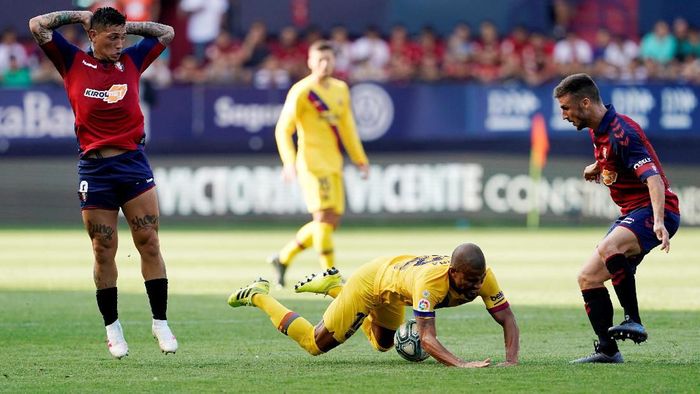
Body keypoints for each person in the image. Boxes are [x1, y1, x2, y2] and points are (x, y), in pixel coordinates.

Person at [29, 7, 177, 359]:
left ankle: (160, 321)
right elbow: (37, 26)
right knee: (102, 249)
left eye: (123, 37)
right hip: (95, 170)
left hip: (132, 163)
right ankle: (113, 329)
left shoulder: (133, 60)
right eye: (112, 37)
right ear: (92, 36)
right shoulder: (71, 61)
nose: (119, 44)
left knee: (149, 241)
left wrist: (129, 26)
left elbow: (167, 33)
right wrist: (79, 15)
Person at [553, 73, 681, 363]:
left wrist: (659, 221)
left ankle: (633, 319)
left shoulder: (623, 132)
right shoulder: (598, 130)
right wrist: (596, 165)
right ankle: (608, 350)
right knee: (587, 278)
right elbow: (612, 158)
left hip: (655, 210)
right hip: (632, 212)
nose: (563, 116)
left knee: (610, 247)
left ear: (585, 103)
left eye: (566, 108)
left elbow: (654, 180)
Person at [229, 243, 519, 367]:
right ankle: (258, 294)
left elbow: (507, 318)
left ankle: (334, 288)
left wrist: (511, 360)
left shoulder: (484, 276)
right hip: (372, 282)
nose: (477, 286)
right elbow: (428, 338)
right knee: (314, 343)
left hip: (393, 287)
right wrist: (462, 364)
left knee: (383, 343)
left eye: (479, 279)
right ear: (453, 272)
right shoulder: (430, 285)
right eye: (470, 280)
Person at [269, 40, 369, 288]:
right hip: (312, 164)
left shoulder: (340, 89)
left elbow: (348, 128)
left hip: (334, 162)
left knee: (330, 221)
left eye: (329, 59)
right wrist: (288, 162)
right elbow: (284, 129)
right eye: (319, 60)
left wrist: (359, 159)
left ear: (334, 61)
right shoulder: (302, 91)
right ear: (310, 62)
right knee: (323, 217)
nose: (325, 64)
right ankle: (330, 275)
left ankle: (282, 258)